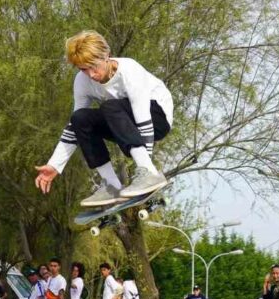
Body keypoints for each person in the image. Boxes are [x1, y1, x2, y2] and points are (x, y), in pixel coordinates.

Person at [34, 30, 175, 207]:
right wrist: (55, 165)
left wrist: (148, 168)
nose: (91, 74)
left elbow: (143, 119)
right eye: (84, 69)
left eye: (94, 66)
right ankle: (111, 185)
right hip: (123, 124)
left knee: (110, 106)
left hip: (157, 118)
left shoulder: (129, 70)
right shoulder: (82, 82)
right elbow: (74, 128)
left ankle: (147, 172)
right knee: (79, 118)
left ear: (106, 56)